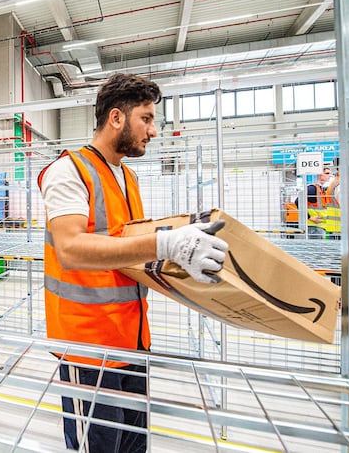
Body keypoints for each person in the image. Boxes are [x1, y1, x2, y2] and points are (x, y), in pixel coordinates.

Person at [37, 73, 228, 452]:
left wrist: (180, 257)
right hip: (89, 346)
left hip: (133, 339)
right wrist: (165, 243)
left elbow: (127, 248)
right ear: (116, 118)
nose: (153, 131)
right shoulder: (68, 171)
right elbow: (71, 248)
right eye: (146, 118)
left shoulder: (128, 176)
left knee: (133, 445)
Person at [295, 167, 331, 239]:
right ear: (319, 175)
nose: (329, 176)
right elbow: (298, 201)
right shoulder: (312, 189)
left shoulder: (321, 189)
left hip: (320, 227)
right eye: (327, 173)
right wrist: (310, 217)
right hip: (314, 228)